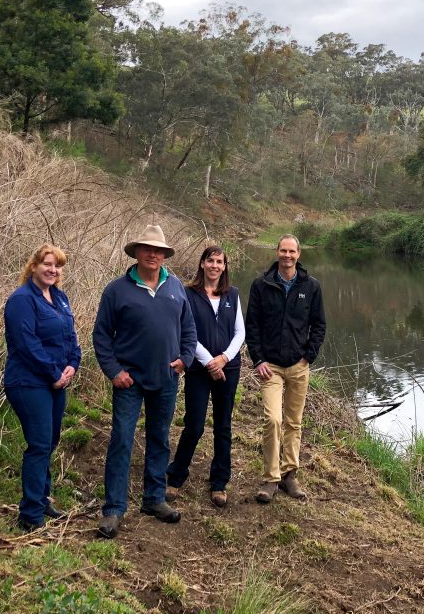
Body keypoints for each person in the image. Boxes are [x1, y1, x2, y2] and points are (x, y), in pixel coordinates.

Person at [93, 224, 197, 539]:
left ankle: (154, 499)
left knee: (160, 439)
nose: (153, 255)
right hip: (129, 381)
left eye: (159, 251)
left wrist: (185, 359)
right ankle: (113, 509)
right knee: (122, 440)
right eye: (147, 249)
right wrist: (114, 371)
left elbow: (188, 330)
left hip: (165, 379)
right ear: (137, 252)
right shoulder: (116, 290)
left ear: (165, 255)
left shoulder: (176, 286)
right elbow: (101, 336)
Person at [3, 244, 81, 532]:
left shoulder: (59, 298)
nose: (53, 270)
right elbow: (26, 343)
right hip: (28, 382)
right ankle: (30, 514)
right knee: (39, 443)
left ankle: (42, 498)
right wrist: (52, 373)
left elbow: (71, 338)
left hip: (57, 382)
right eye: (47, 264)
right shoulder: (22, 300)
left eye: (58, 266)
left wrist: (73, 363)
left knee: (50, 440)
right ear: (34, 266)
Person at [246, 234, 326, 504]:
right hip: (271, 368)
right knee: (273, 420)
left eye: (292, 251)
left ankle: (289, 474)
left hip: (298, 366)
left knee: (294, 423)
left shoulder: (311, 287)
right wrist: (258, 359)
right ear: (277, 252)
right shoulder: (261, 284)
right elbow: (252, 326)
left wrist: (308, 357)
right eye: (283, 250)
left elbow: (319, 325)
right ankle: (270, 478)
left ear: (299, 254)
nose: (287, 255)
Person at [166, 246, 245, 508]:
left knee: (223, 426)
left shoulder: (232, 294)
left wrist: (223, 359)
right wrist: (208, 361)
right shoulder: (189, 294)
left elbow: (239, 333)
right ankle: (175, 477)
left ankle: (219, 482)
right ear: (202, 264)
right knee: (195, 425)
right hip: (199, 370)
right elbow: (186, 331)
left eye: (219, 261)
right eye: (210, 260)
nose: (214, 265)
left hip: (228, 370)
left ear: (225, 266)